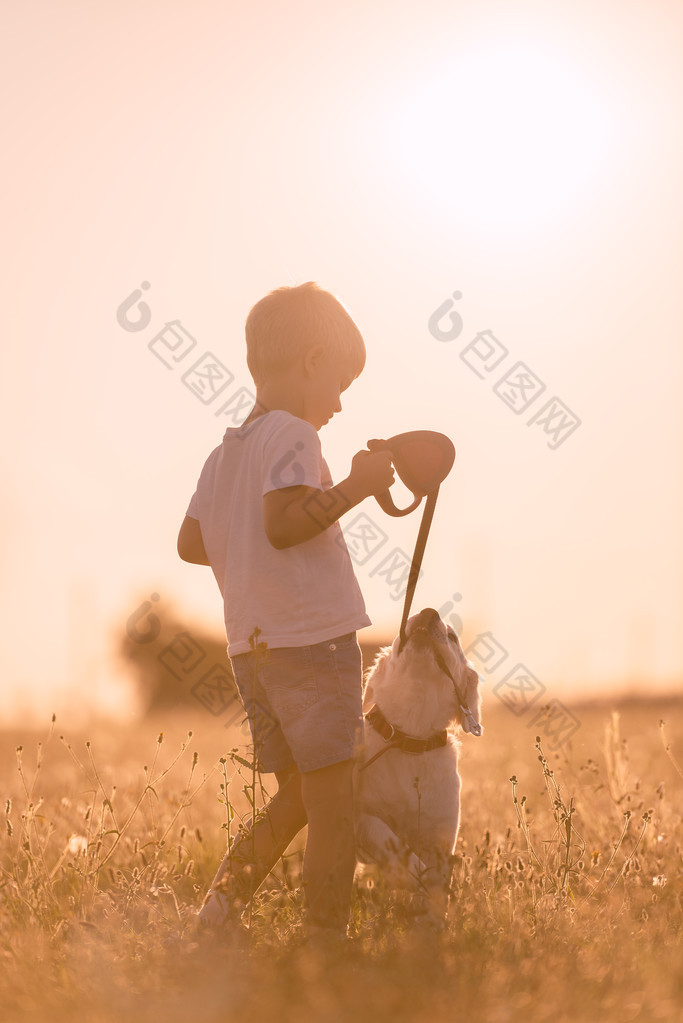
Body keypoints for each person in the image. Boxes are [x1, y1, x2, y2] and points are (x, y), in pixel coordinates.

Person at [177, 281, 394, 942]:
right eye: (339, 384)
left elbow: (190, 543)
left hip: (253, 650)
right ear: (312, 359)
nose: (336, 405)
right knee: (334, 801)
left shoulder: (225, 453)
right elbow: (283, 525)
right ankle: (323, 939)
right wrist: (356, 485)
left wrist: (240, 555)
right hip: (310, 643)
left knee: (298, 795)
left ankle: (216, 908)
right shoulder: (295, 433)